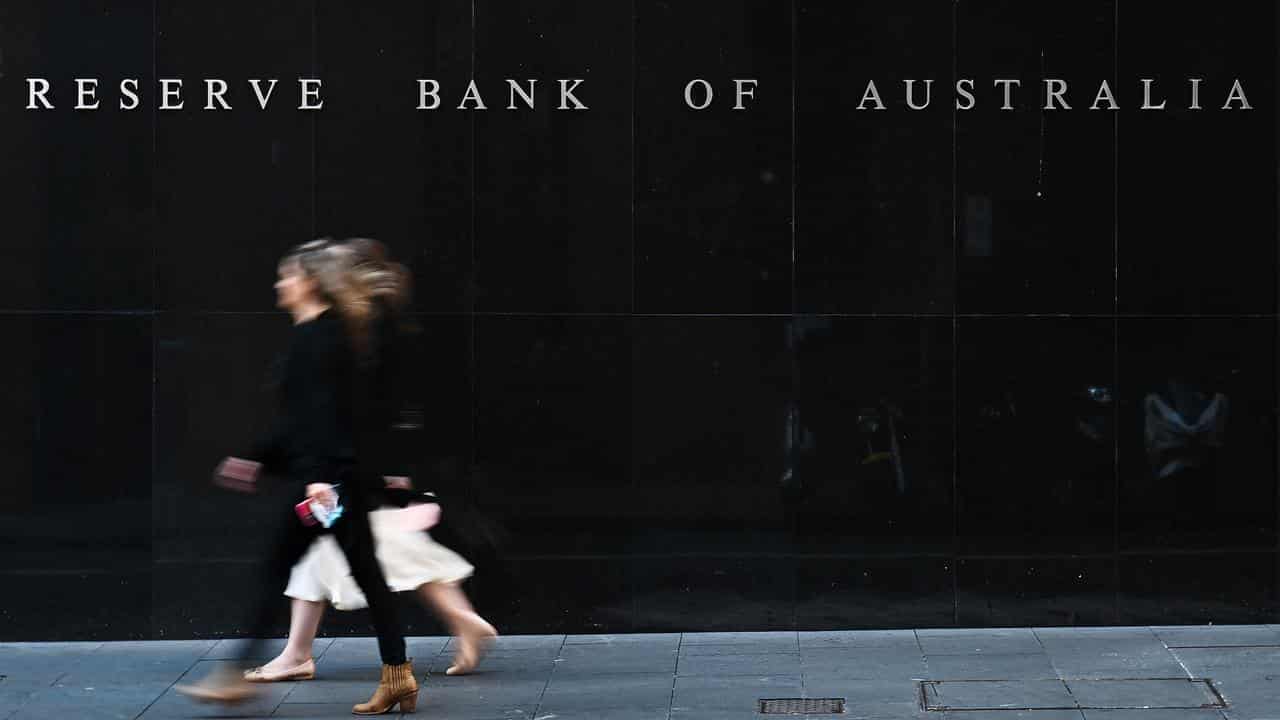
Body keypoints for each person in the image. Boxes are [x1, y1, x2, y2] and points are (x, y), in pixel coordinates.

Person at [177, 240, 418, 715]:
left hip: (329, 484)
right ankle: (398, 677)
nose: (279, 284)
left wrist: (318, 479)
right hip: (333, 478)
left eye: (286, 275)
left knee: (278, 571)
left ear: (309, 282)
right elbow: (304, 419)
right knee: (364, 575)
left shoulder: (321, 339)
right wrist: (258, 457)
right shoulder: (323, 334)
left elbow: (327, 419)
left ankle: (235, 675)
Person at [242, 239, 496, 684]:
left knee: (375, 558)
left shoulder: (356, 327)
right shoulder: (363, 323)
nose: (285, 283)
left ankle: (331, 657)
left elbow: (364, 405)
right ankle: (411, 647)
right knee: (355, 559)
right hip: (353, 468)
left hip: (349, 470)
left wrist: (373, 468)